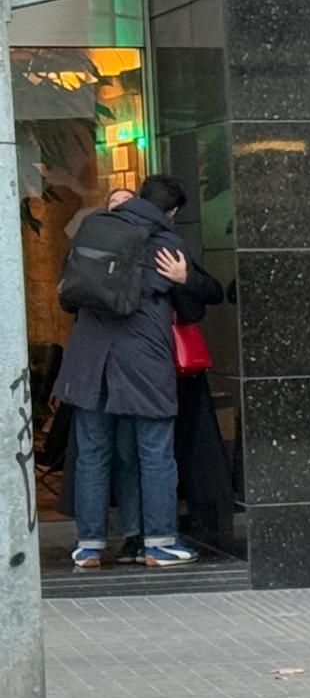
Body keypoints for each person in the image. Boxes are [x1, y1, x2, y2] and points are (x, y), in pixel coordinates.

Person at [52, 175, 222, 570]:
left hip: (88, 361)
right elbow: (193, 308)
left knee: (92, 454)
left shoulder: (92, 230)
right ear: (172, 212)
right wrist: (183, 279)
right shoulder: (165, 243)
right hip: (143, 362)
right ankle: (159, 543)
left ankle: (89, 546)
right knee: (155, 452)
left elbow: (68, 296)